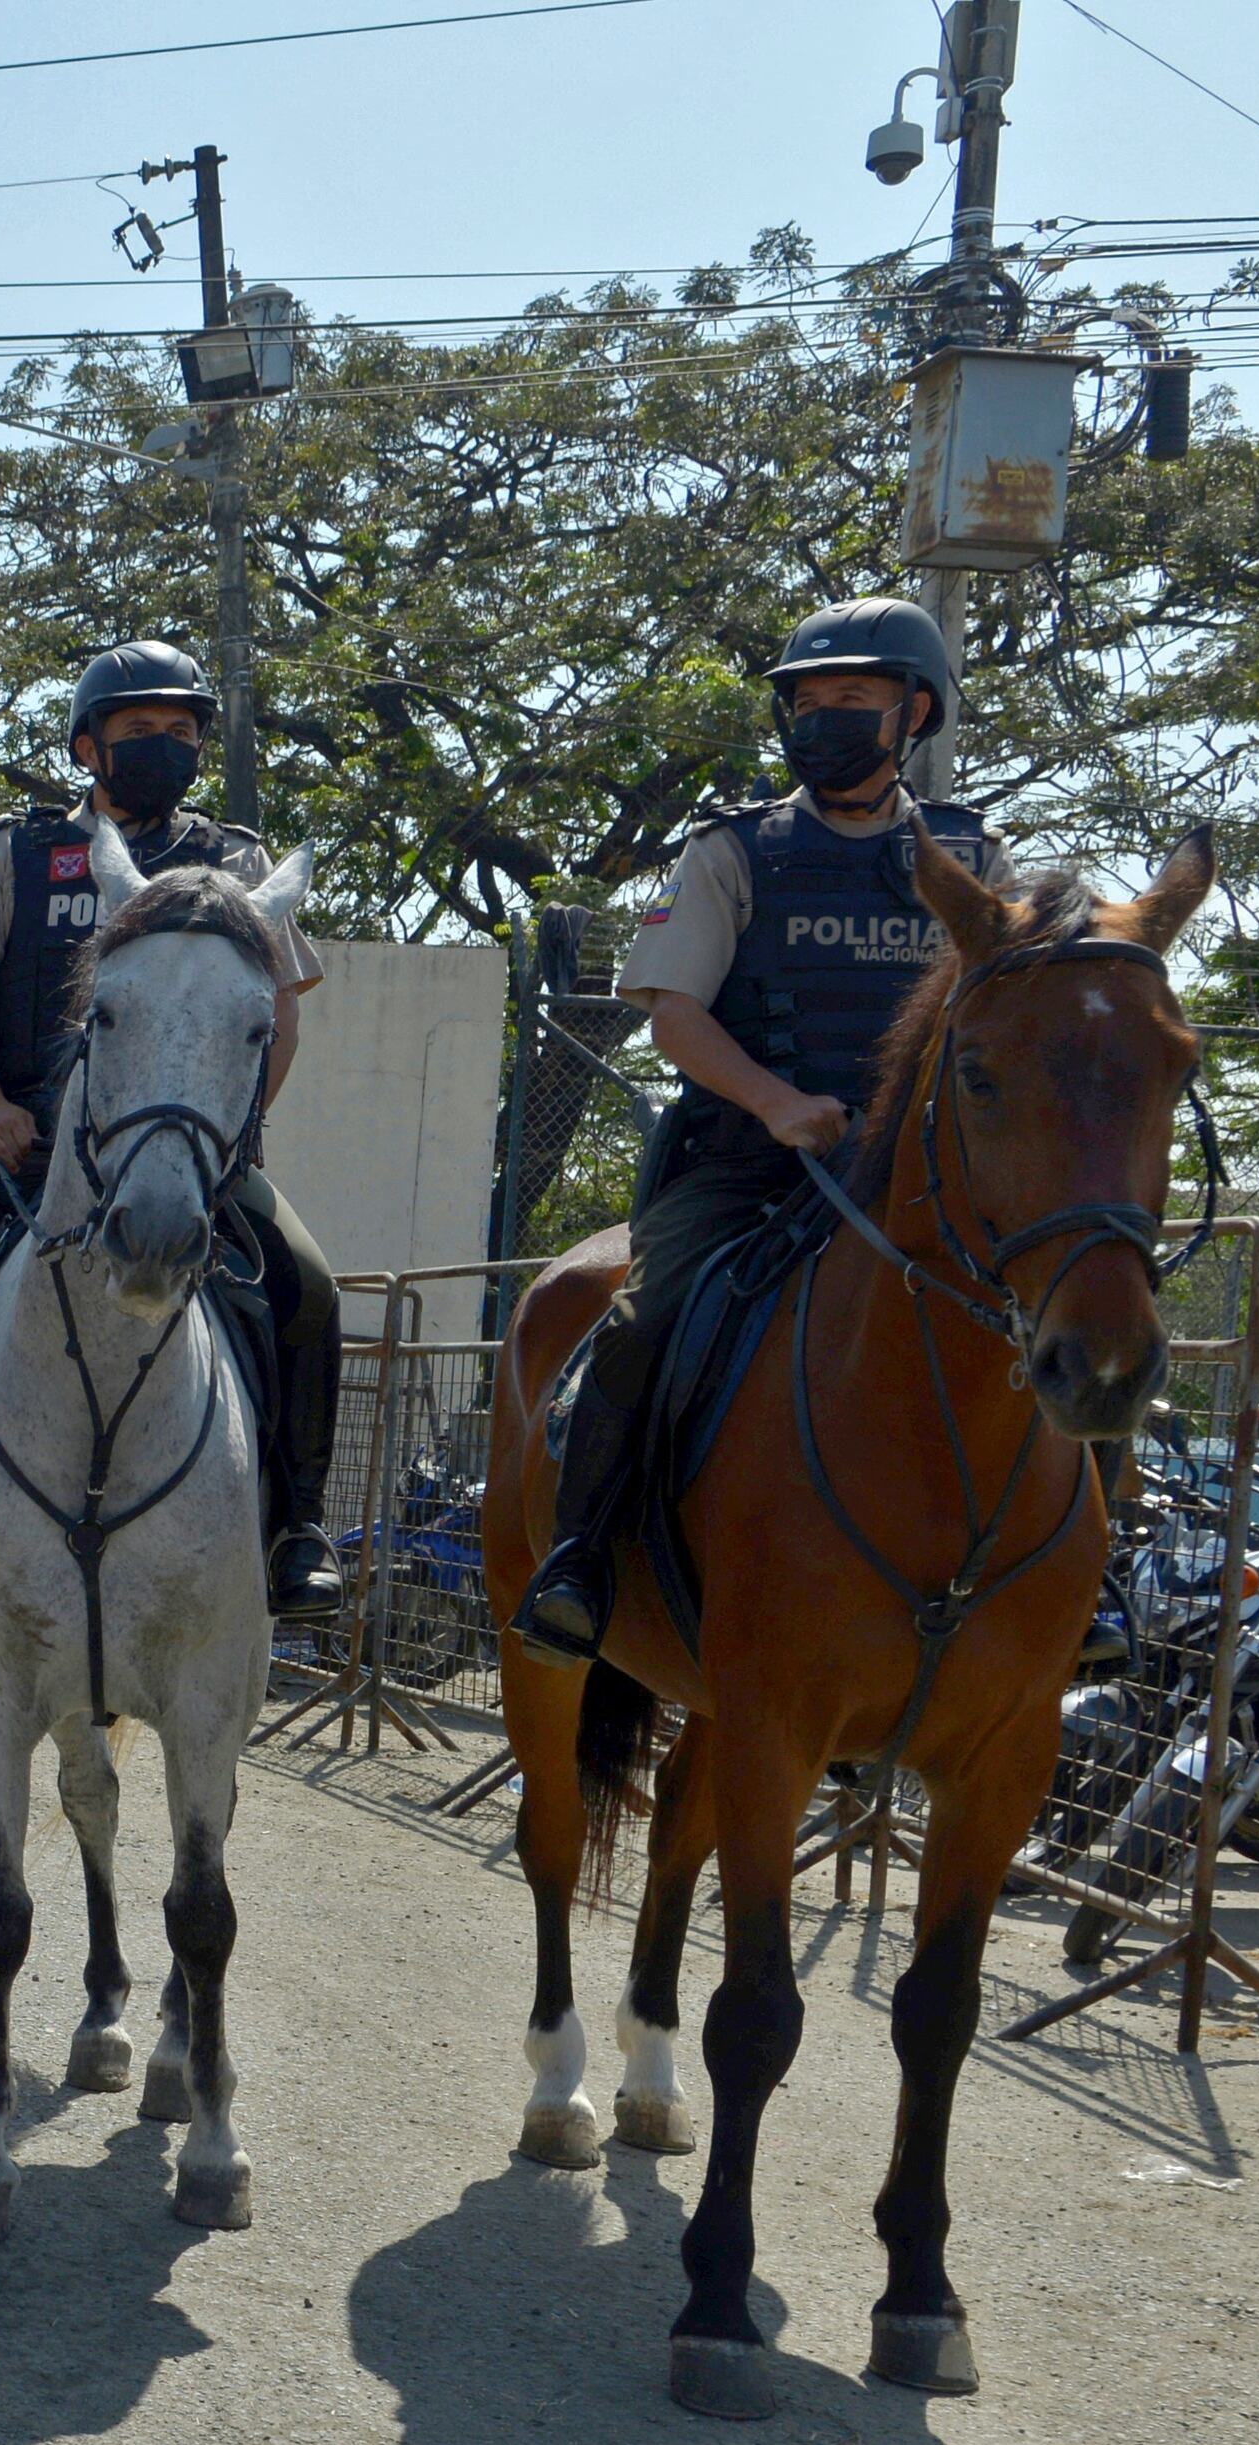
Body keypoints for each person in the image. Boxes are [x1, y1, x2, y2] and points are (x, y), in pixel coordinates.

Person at [511, 594, 1001, 1661]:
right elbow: (672, 1013)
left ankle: (1080, 1584)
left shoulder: (973, 858)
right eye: (807, 700)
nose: (821, 717)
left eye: (852, 700)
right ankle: (580, 1561)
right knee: (636, 1325)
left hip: (915, 1182)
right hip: (748, 1167)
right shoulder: (734, 849)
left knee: (1060, 1314)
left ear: (912, 714)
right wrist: (778, 1102)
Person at [0, 640, 341, 1641]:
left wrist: (231, 1141)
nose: (166, 746)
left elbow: (278, 1016)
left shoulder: (238, 863)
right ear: (86, 746)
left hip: (192, 1158)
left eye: (182, 731)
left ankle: (297, 1534)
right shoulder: (18, 852)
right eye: (140, 730)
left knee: (307, 1289)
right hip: (20, 1148)